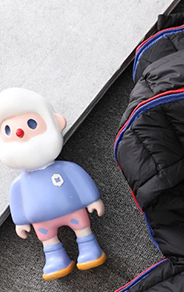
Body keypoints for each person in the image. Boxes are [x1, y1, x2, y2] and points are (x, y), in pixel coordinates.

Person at [0, 88, 106, 280]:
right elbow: (17, 201)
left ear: (57, 123)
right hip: (42, 222)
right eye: (8, 130)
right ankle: (55, 258)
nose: (20, 132)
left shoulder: (66, 168)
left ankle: (89, 247)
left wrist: (92, 199)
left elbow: (80, 181)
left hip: (72, 210)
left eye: (32, 124)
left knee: (82, 227)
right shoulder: (19, 183)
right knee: (47, 239)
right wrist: (20, 222)